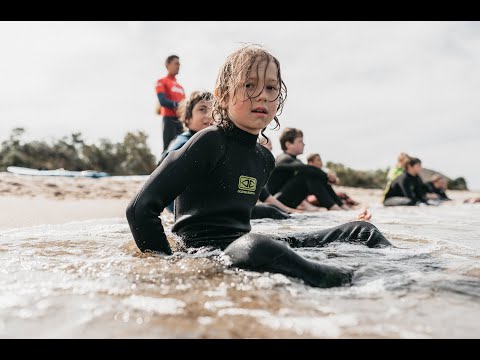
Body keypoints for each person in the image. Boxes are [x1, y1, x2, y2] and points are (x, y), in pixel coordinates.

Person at [126, 45, 391, 288]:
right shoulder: (210, 141)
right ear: (224, 96)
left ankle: (410, 272)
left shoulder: (264, 159)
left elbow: (248, 210)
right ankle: (351, 282)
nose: (262, 96)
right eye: (249, 85)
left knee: (361, 231)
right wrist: (169, 266)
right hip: (210, 254)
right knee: (258, 246)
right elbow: (140, 208)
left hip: (244, 244)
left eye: (271, 88)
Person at [266, 128, 349, 211]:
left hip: (286, 201)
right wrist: (327, 176)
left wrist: (325, 177)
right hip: (275, 202)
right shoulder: (283, 158)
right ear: (288, 144)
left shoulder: (294, 160)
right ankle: (334, 207)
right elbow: (307, 168)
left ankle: (340, 205)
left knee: (313, 174)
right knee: (308, 174)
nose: (304, 144)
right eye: (300, 141)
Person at [155, 55, 186, 151]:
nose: (178, 66)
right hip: (169, 120)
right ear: (167, 65)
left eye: (179, 64)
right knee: (168, 150)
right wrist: (180, 105)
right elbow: (163, 101)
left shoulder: (181, 87)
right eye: (176, 63)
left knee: (182, 149)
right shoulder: (161, 81)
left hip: (181, 121)